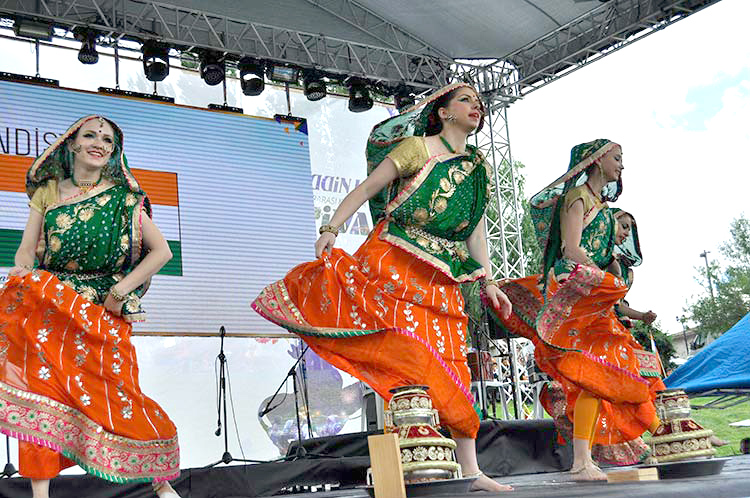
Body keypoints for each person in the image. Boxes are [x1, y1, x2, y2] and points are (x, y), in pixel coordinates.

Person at [252, 83, 512, 492]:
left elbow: (475, 231)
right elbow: (367, 189)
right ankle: (405, 459)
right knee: (404, 354)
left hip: (442, 274)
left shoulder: (478, 167)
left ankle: (472, 470)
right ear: (442, 112)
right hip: (395, 260)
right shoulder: (417, 149)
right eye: (465, 100)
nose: (475, 107)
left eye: (478, 102)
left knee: (452, 364)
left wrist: (487, 280)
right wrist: (331, 228)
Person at [0, 116, 180, 498]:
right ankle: (40, 494)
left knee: (120, 392)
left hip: (103, 309)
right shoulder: (47, 192)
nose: (100, 143)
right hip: (53, 309)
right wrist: (24, 271)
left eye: (108, 140)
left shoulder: (124, 198)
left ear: (114, 151)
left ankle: (161, 484)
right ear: (72, 144)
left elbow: (161, 252)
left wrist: (119, 292)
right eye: (91, 136)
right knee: (43, 396)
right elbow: (27, 251)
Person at [493, 140, 665, 480]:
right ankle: (584, 461)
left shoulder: (601, 205)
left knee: (615, 372)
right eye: (617, 158)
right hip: (575, 298)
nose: (622, 166)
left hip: (595, 300)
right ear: (597, 160)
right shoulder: (579, 198)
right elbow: (571, 250)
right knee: (593, 375)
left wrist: (611, 275)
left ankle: (662, 435)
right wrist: (604, 278)